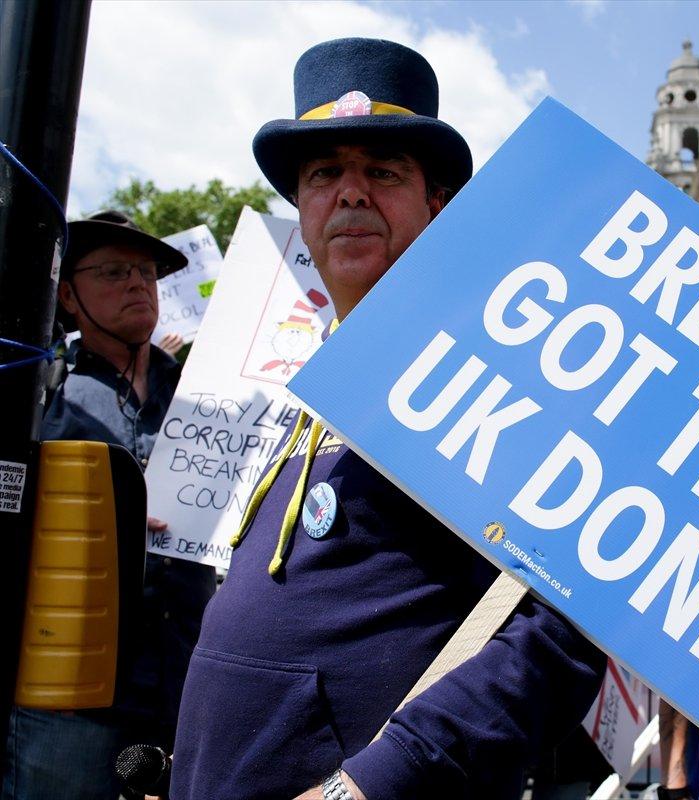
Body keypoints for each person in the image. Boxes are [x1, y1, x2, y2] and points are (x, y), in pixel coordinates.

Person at [167, 38, 606, 800]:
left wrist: (373, 784)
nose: (351, 192)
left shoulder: (499, 382)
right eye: (324, 173)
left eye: (384, 171)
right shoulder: (317, 384)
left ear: (437, 205)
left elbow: (565, 632)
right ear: (301, 210)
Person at [3, 212, 217, 800]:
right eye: (115, 271)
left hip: (185, 680)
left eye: (148, 273)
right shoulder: (36, 392)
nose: (138, 285)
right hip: (73, 693)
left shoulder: (205, 393)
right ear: (67, 295)